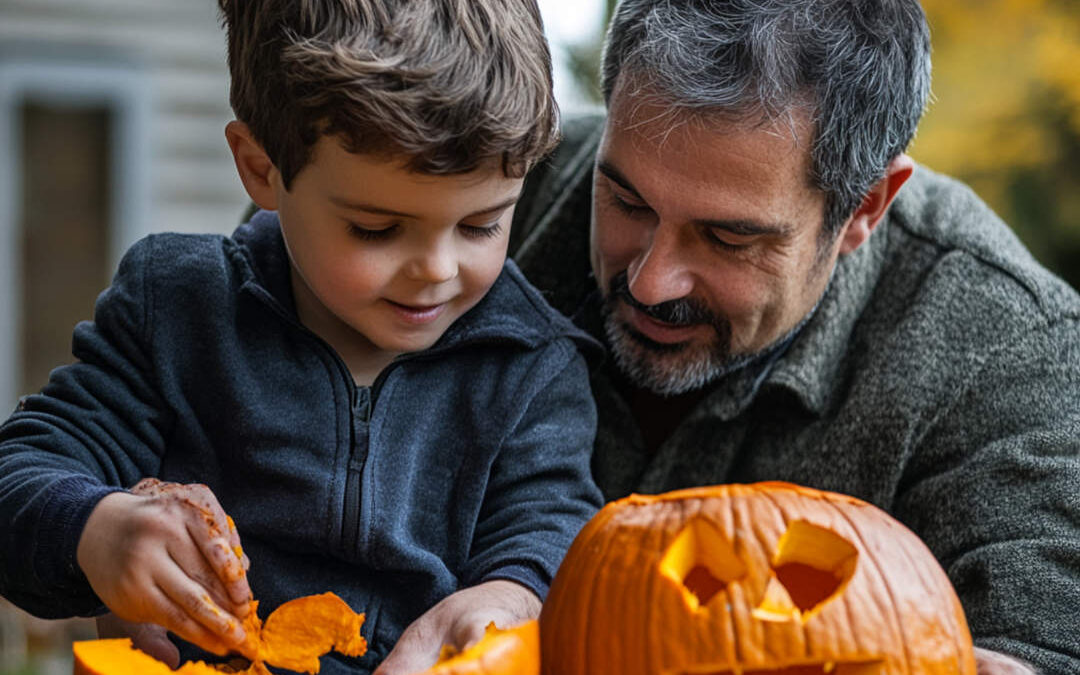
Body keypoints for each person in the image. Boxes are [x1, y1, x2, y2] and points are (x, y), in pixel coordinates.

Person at [0, 1, 602, 674]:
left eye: (481, 225)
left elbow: (557, 536)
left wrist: (509, 597)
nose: (437, 269)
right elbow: (19, 476)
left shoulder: (535, 366)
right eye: (376, 228)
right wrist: (95, 530)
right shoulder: (176, 308)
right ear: (261, 168)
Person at [509, 1, 1080, 673]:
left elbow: (1040, 645)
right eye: (627, 202)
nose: (650, 281)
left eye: (729, 237)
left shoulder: (1011, 345)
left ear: (864, 207)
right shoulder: (486, 197)